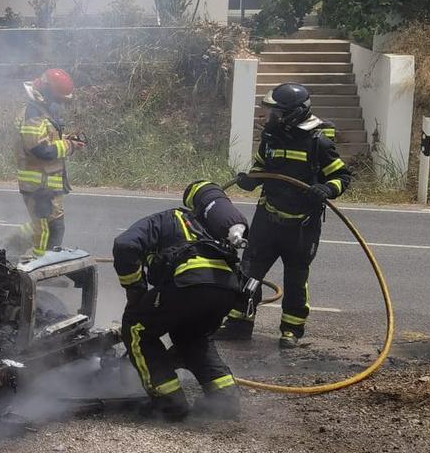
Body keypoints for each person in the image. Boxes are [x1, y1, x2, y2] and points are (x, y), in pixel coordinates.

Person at [218, 83, 352, 349]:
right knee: (249, 274)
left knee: (295, 278)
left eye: (276, 112)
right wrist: (252, 179)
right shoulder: (271, 137)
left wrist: (326, 188)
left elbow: (342, 176)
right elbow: (261, 165)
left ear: (293, 113)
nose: (270, 117)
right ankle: (238, 324)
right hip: (268, 219)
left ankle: (291, 330)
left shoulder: (318, 142)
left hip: (301, 226)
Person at [113, 180, 251, 421]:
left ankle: (169, 404)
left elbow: (125, 245)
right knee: (193, 337)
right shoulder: (216, 229)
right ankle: (225, 400)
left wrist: (135, 290)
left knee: (136, 328)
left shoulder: (168, 218)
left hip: (188, 285)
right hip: (226, 292)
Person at [15, 68, 85, 259]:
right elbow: (39, 149)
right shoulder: (32, 113)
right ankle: (42, 271)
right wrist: (69, 145)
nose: (59, 102)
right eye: (58, 98)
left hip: (48, 184)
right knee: (45, 230)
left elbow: (47, 138)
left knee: (51, 226)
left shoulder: (43, 108)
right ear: (47, 91)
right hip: (38, 186)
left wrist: (67, 138)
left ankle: (10, 246)